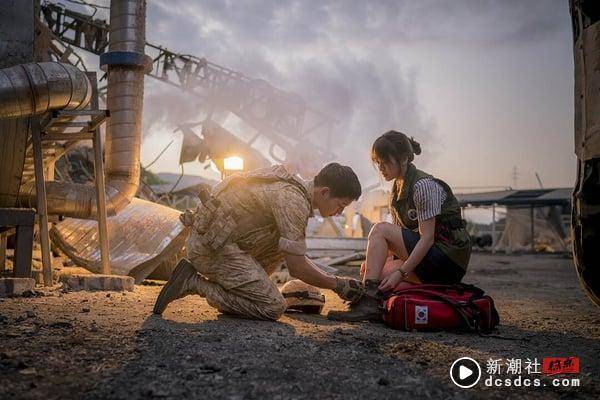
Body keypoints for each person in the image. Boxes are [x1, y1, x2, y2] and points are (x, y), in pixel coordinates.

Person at [153, 163, 364, 320]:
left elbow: (295, 255)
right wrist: (337, 284)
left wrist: (334, 279)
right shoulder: (293, 200)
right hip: (211, 248)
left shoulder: (294, 189)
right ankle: (192, 282)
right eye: (341, 205)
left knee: (288, 245)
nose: (340, 213)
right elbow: (297, 267)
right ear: (325, 192)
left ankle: (237, 285)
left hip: (220, 242)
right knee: (272, 307)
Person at [328, 130, 471, 321]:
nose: (381, 168)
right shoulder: (397, 190)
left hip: (447, 259)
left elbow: (427, 239)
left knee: (379, 229)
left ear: (403, 159)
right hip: (431, 260)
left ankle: (368, 303)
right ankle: (375, 303)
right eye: (378, 162)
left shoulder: (423, 186)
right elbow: (397, 241)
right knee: (372, 273)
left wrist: (400, 272)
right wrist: (376, 264)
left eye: (385, 161)